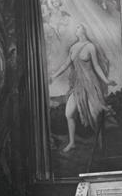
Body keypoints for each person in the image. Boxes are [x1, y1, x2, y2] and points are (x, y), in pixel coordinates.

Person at [50, 23, 116, 152]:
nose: (76, 29)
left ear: (84, 30)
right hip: (78, 85)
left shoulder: (90, 47)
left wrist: (106, 81)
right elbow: (65, 65)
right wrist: (54, 76)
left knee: (95, 115)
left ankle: (101, 142)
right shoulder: (73, 47)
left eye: (78, 27)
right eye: (76, 27)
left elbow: (97, 66)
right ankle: (72, 142)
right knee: (69, 113)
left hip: (91, 84)